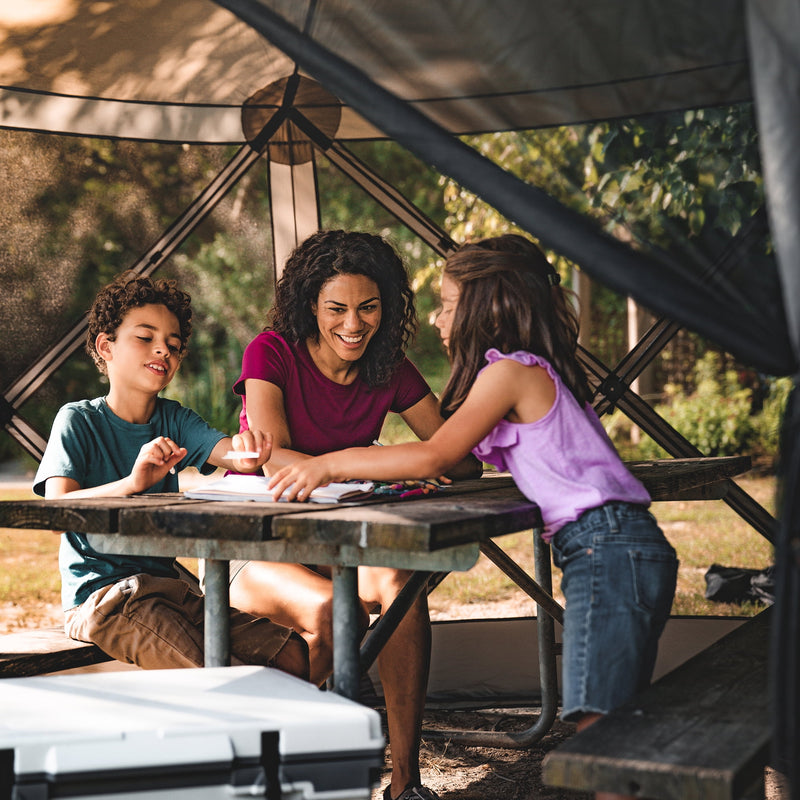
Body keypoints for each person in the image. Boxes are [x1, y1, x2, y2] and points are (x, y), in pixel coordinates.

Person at [268, 234, 680, 800]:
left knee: (597, 724)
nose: (436, 319)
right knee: (608, 712)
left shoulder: (509, 372)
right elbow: (461, 458)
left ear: (486, 309)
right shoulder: (529, 369)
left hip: (606, 548)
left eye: (447, 304)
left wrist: (331, 464)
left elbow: (438, 454)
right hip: (618, 546)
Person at [228, 229, 480, 800]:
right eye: (336, 308)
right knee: (335, 615)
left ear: (386, 307)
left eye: (368, 307)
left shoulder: (389, 365)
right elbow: (274, 458)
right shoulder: (271, 352)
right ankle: (254, 753)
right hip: (256, 540)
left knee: (401, 586)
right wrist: (374, 462)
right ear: (309, 306)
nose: (354, 324)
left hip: (344, 540)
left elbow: (459, 462)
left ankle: (406, 785)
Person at [33, 272, 309, 679]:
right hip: (105, 600)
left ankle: (284, 738)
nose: (164, 349)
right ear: (105, 347)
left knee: (292, 654)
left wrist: (250, 451)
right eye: (146, 337)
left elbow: (230, 452)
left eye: (174, 345)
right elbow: (56, 511)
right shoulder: (76, 420)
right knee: (215, 674)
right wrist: (133, 483)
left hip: (174, 593)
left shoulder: (174, 418)